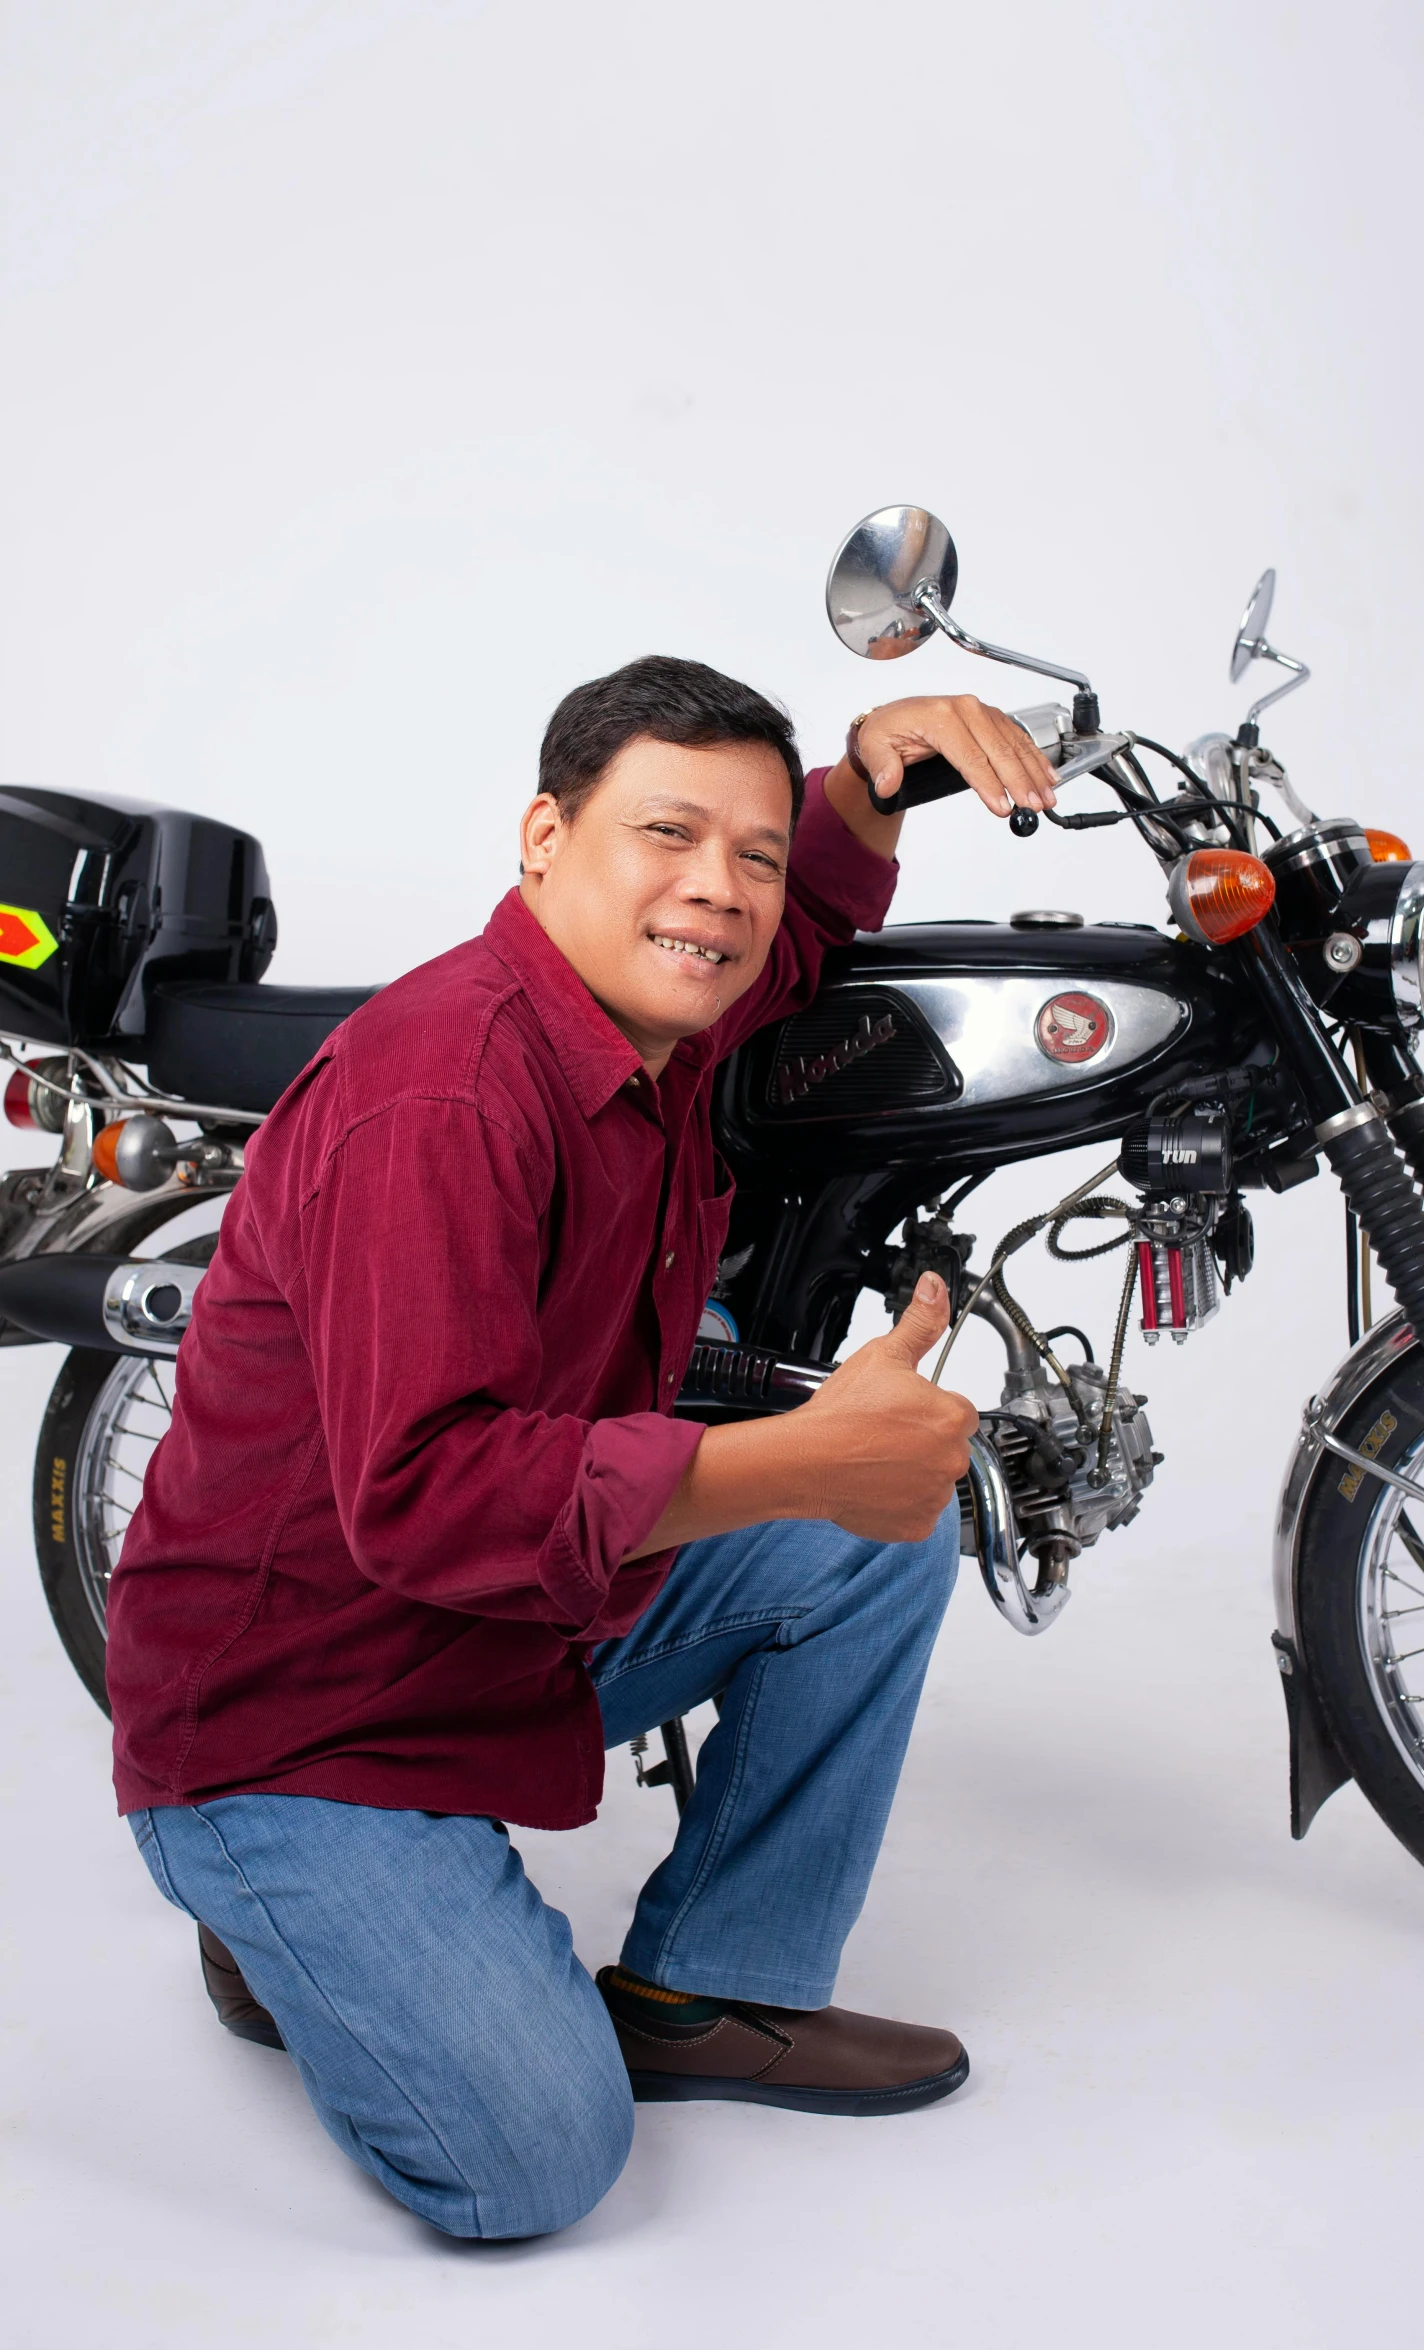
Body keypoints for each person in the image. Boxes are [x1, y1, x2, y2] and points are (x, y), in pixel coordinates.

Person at [107, 657, 1058, 2240]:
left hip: (489, 1632)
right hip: (292, 1710)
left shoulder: (646, 1010)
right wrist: (806, 1457)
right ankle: (273, 1912)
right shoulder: (440, 1096)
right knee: (531, 2168)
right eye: (667, 837)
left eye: (747, 854)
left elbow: (785, 927)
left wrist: (864, 787)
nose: (718, 892)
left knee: (878, 1535)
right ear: (544, 836)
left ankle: (711, 1990)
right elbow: (424, 1497)